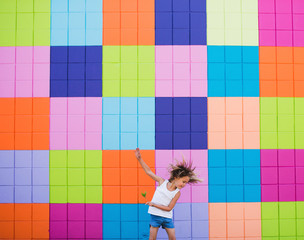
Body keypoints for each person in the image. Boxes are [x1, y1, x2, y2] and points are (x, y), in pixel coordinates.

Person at [135, 148, 202, 240]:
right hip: (155, 215)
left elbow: (169, 208)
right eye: (183, 181)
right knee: (152, 238)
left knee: (172, 238)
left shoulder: (177, 193)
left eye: (186, 183)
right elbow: (149, 172)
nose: (184, 184)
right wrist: (139, 159)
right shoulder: (162, 182)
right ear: (176, 177)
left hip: (167, 218)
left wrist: (153, 204)